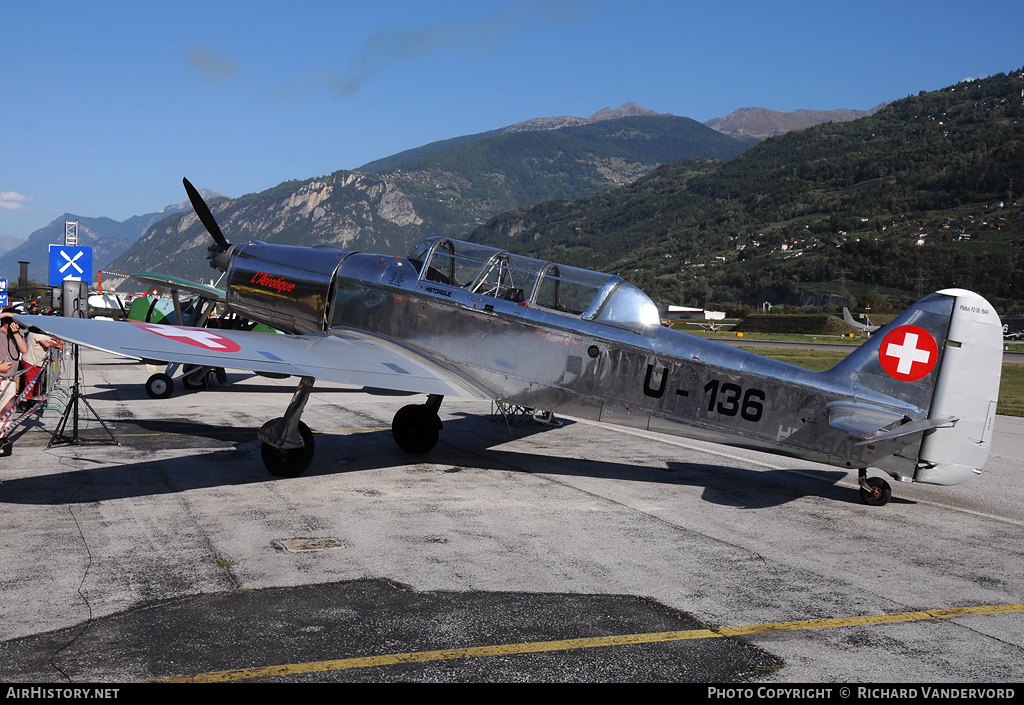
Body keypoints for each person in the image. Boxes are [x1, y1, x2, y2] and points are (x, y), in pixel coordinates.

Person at [0, 308, 28, 415]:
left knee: (6, 414)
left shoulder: (16, 335)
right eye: (12, 320)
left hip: (10, 380)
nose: (14, 323)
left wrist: (16, 333)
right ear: (4, 321)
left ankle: (2, 432)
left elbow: (24, 349)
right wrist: (6, 314)